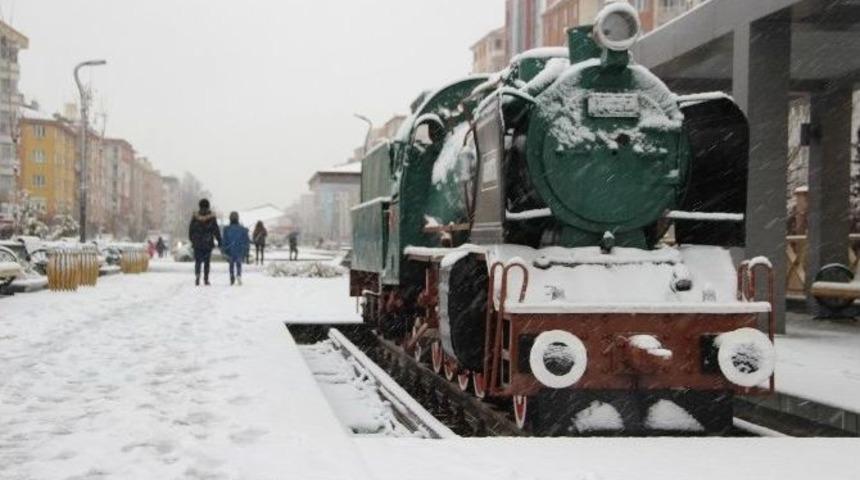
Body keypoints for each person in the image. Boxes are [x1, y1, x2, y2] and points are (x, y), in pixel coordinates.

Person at [188, 198, 222, 286]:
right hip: (208, 243)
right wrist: (219, 241)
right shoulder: (212, 218)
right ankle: (206, 279)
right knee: (207, 262)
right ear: (208, 206)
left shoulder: (195, 217)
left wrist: (193, 240)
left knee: (198, 261)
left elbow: (191, 230)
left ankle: (197, 276)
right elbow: (216, 230)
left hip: (197, 243)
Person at [223, 211, 250, 286]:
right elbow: (246, 241)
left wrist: (224, 249)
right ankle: (238, 275)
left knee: (231, 264)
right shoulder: (243, 229)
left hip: (230, 248)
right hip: (240, 248)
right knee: (239, 263)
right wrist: (246, 250)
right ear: (238, 218)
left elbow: (224, 240)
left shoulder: (226, 229)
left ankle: (231, 276)